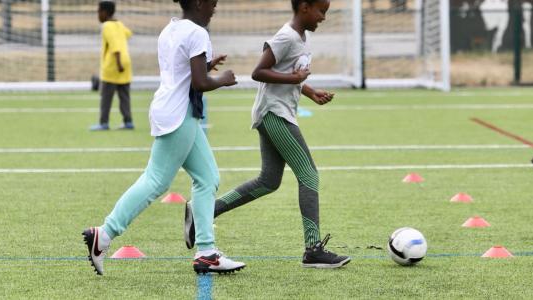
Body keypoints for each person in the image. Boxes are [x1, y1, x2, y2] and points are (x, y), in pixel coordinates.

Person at [184, 0, 351, 269]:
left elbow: (290, 73)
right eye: (322, 11)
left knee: (268, 181)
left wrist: (309, 91)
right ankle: (313, 250)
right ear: (305, 7)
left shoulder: (301, 37)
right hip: (274, 114)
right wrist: (295, 81)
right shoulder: (286, 37)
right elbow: (258, 72)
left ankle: (204, 210)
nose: (323, 17)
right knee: (309, 175)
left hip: (278, 113)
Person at [83, 0, 246, 275]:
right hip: (180, 114)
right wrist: (223, 79)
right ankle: (105, 233)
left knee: (208, 178)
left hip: (173, 110)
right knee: (156, 181)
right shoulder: (197, 33)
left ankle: (207, 252)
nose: (214, 8)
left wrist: (206, 65)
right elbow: (199, 83)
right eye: (212, 3)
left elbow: (182, 70)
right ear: (197, 2)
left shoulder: (170, 29)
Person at [90, 1, 135, 131]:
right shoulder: (118, 24)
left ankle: (103, 123)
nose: (97, 15)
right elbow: (128, 33)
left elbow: (114, 45)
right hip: (126, 62)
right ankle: (128, 122)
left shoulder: (107, 26)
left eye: (98, 12)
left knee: (106, 97)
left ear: (104, 13)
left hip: (114, 65)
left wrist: (118, 63)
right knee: (124, 96)